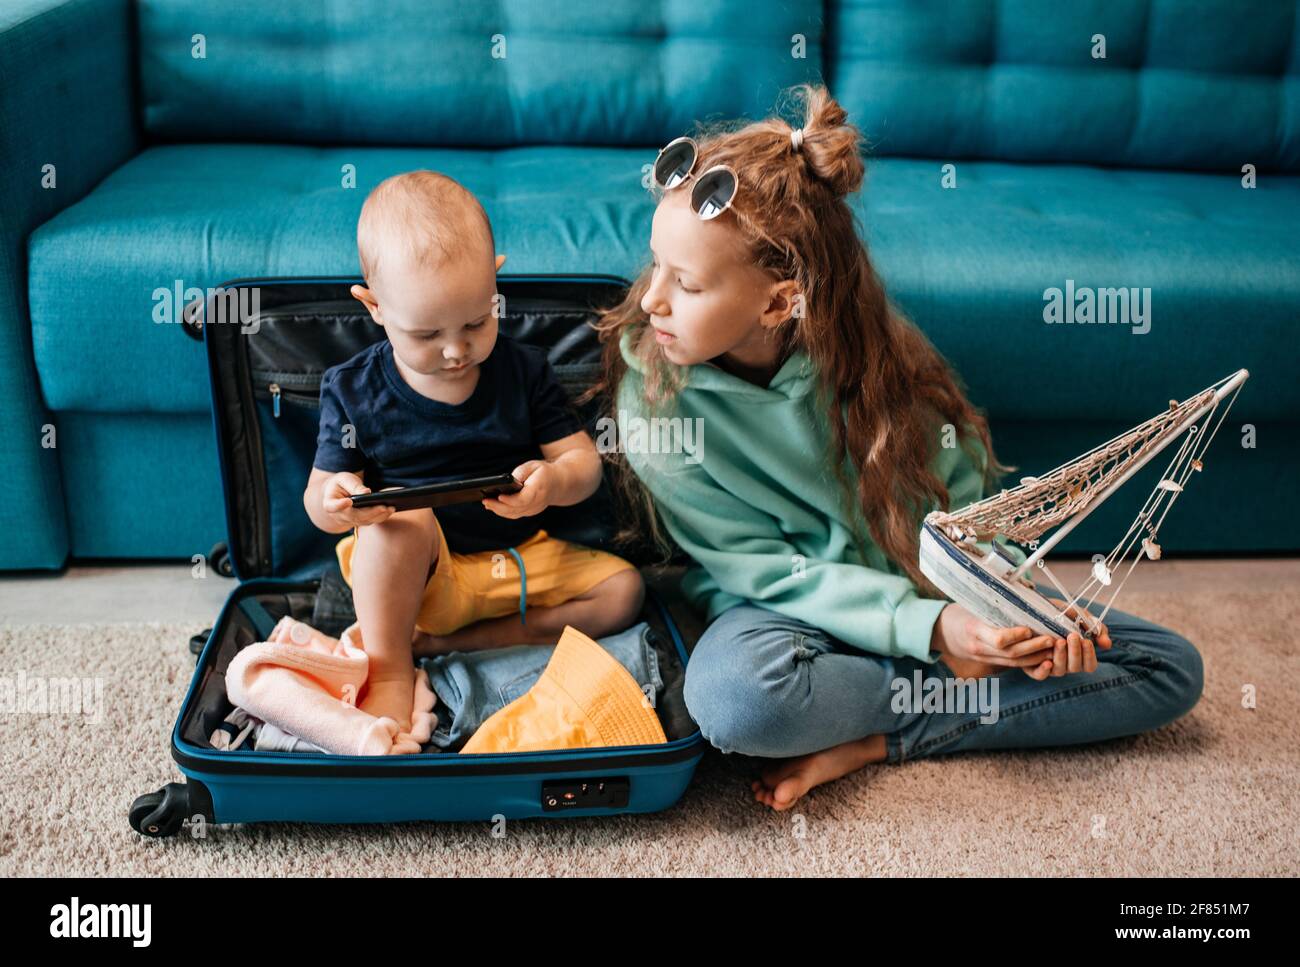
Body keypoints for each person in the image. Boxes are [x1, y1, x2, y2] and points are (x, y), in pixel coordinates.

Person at [588, 86, 1203, 810]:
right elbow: (761, 571)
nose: (652, 299)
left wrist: (994, 607)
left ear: (781, 301)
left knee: (1164, 667)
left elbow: (966, 502)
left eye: (684, 282)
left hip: (920, 585)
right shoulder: (654, 398)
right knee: (732, 700)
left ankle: (881, 732)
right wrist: (939, 635)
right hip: (788, 614)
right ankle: (923, 702)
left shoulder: (869, 356)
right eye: (655, 265)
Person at [304, 171, 644, 736]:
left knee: (624, 592)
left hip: (519, 563)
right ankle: (391, 669)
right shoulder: (352, 388)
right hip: (421, 577)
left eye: (477, 321)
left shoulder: (525, 370)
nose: (457, 349)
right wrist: (339, 503)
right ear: (375, 308)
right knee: (400, 522)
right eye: (427, 333)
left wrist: (553, 483)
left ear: (495, 280)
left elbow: (584, 465)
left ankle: (450, 645)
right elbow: (319, 497)